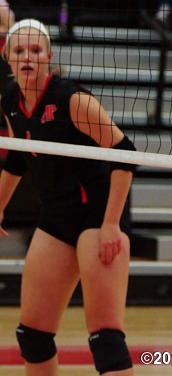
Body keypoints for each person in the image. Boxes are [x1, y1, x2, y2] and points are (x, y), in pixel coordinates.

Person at [0, 19, 137, 376]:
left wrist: (111, 225)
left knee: (105, 340)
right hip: (56, 218)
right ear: (7, 57)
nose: (27, 57)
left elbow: (126, 153)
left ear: (48, 56)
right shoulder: (9, 101)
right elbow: (18, 155)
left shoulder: (71, 100)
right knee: (32, 336)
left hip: (97, 215)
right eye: (19, 51)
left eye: (35, 50)